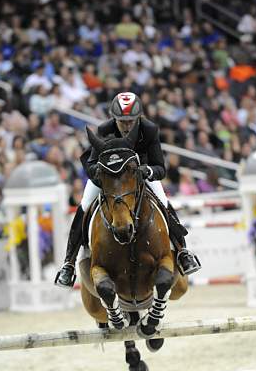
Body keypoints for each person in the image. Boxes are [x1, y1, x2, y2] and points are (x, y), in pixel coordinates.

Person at [55, 91, 201, 287]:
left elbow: (160, 168)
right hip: (109, 179)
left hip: (139, 176)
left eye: (131, 121)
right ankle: (69, 264)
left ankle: (183, 252)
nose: (126, 126)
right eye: (122, 121)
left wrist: (146, 171)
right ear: (114, 118)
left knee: (163, 201)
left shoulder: (149, 130)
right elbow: (89, 164)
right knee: (85, 204)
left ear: (138, 117)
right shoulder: (105, 130)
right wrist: (100, 173)